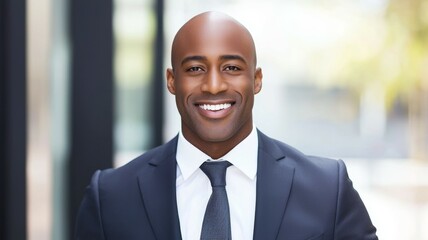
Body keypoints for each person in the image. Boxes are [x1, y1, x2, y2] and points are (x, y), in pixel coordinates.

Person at [75, 11, 378, 240]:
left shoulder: (327, 190)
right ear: (172, 81)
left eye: (231, 68)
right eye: (195, 68)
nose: (214, 85)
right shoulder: (112, 196)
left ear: (256, 80)